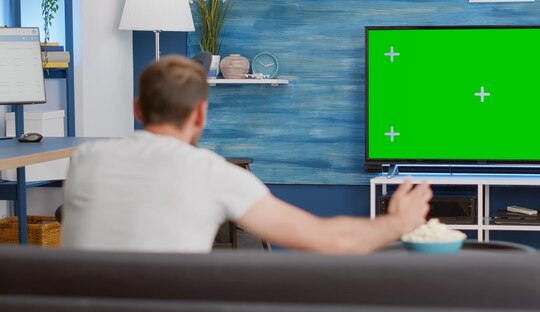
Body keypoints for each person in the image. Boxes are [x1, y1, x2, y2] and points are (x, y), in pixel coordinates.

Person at [62, 55, 432, 254]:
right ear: (200, 114)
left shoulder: (85, 160)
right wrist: (397, 223)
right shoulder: (213, 173)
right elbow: (327, 240)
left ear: (138, 109)